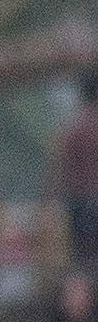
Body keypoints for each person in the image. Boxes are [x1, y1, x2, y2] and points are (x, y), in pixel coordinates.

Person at [60, 76, 98, 268]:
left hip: (80, 199)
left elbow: (66, 167)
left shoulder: (75, 126)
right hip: (89, 198)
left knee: (84, 259)